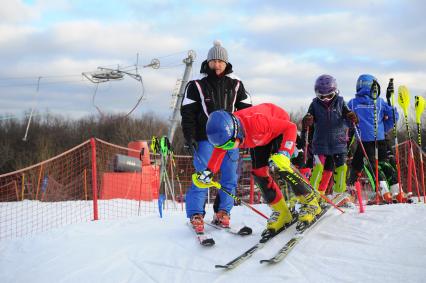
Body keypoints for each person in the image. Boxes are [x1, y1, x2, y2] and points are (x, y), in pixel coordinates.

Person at [194, 103, 322, 236]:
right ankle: (282, 211)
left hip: (278, 129)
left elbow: (291, 127)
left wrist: (285, 152)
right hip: (259, 138)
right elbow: (219, 150)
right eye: (226, 146)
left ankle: (311, 202)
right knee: (259, 173)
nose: (230, 148)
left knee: (281, 166)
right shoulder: (227, 134)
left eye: (231, 144)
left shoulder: (257, 122)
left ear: (236, 130)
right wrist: (208, 172)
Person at [180, 40, 252, 233]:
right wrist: (189, 137)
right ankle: (196, 213)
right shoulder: (196, 84)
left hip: (230, 139)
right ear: (208, 62)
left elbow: (247, 112)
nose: (217, 64)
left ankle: (223, 211)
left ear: (226, 63)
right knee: (203, 176)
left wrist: (242, 136)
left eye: (221, 61)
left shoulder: (236, 84)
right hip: (205, 137)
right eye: (214, 61)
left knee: (230, 177)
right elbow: (187, 114)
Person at [302, 75, 358, 203]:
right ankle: (313, 194)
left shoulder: (340, 102)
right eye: (322, 96)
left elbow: (350, 118)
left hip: (338, 142)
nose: (326, 99)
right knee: (318, 168)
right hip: (320, 143)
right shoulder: (314, 104)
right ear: (317, 94)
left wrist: (352, 117)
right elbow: (308, 118)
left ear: (335, 92)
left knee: (341, 168)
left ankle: (339, 194)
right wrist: (307, 120)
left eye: (329, 95)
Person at [347, 74, 399, 203]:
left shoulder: (353, 103)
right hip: (379, 140)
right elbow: (394, 116)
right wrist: (383, 128)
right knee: (383, 165)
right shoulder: (380, 102)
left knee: (368, 167)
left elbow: (347, 121)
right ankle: (395, 190)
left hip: (364, 142)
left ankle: (381, 192)